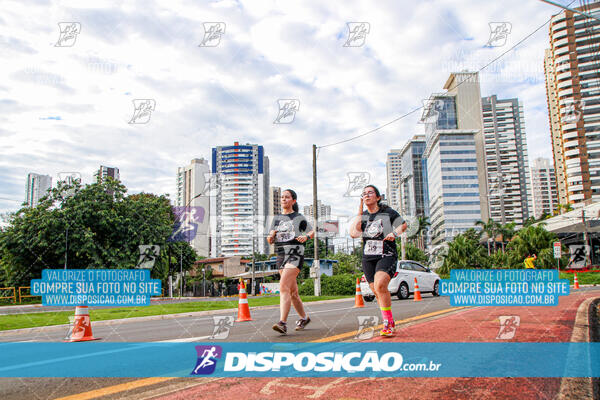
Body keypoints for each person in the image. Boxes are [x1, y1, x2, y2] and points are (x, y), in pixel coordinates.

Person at [350, 185, 407, 337]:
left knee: (380, 285)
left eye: (370, 193)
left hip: (386, 254)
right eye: (364, 194)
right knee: (377, 290)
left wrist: (395, 233)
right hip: (368, 258)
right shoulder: (363, 216)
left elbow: (403, 224)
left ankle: (387, 324)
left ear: (378, 197)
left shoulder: (387, 212)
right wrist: (360, 210)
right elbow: (354, 233)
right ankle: (390, 320)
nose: (367, 195)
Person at [267, 189, 314, 334]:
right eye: (282, 197)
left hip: (295, 252)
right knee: (293, 292)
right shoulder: (277, 219)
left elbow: (312, 231)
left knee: (283, 287)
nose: (283, 199)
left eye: (287, 197)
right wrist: (272, 235)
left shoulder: (298, 217)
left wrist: (306, 237)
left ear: (293, 200)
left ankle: (282, 323)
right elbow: (269, 240)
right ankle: (304, 318)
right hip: (281, 254)